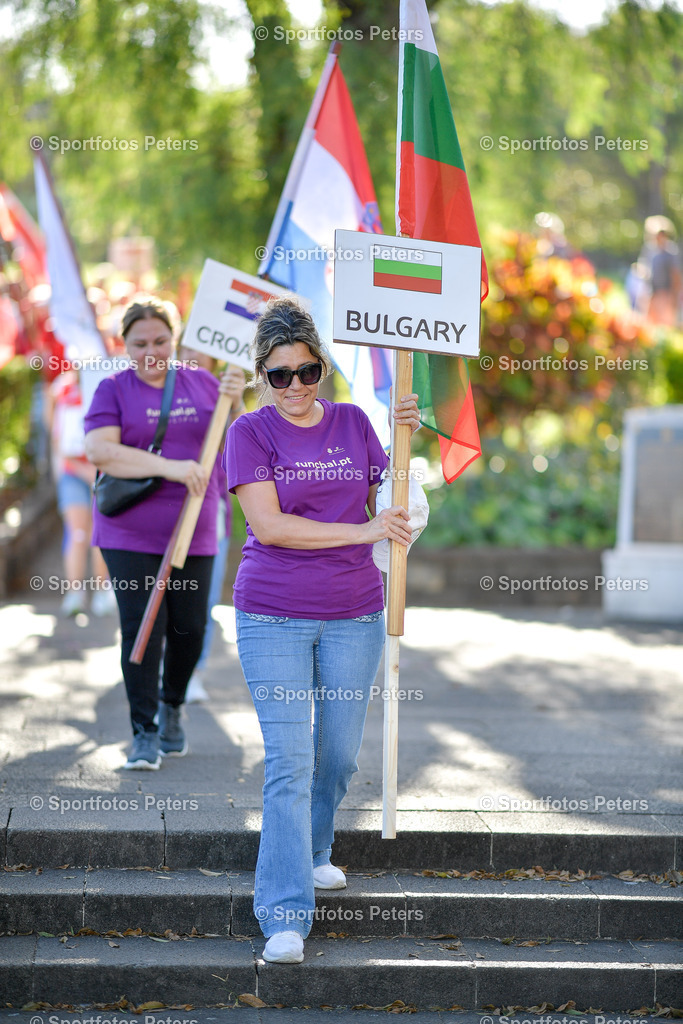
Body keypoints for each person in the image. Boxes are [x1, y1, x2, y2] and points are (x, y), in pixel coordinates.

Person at [225, 298, 420, 964]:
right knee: (290, 760)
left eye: (307, 372)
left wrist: (406, 444)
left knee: (335, 758)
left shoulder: (353, 422)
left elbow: (396, 497)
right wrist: (362, 529)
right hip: (271, 612)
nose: (296, 387)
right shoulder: (248, 434)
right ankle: (282, 912)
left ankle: (313, 850)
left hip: (354, 613)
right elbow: (272, 526)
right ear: (261, 377)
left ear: (321, 369)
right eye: (279, 376)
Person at [84, 298, 245, 770]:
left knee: (190, 628)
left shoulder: (203, 383)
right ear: (123, 344)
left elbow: (239, 443)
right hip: (127, 533)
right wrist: (172, 468)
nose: (151, 351)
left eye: (161, 341)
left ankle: (172, 703)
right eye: (140, 343)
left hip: (194, 527)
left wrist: (233, 400)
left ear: (174, 340)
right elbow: (100, 450)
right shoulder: (113, 389)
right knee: (141, 627)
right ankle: (144, 731)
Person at [177, 343, 247, 702]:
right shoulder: (165, 388)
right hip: (166, 511)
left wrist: (235, 402)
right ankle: (164, 669)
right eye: (186, 345)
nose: (193, 353)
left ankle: (194, 670)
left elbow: (245, 445)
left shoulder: (224, 390)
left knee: (201, 599)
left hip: (210, 512)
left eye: (200, 346)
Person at [45, 367, 116, 617]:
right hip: (73, 472)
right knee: (77, 532)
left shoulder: (108, 386)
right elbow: (58, 439)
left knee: (100, 532)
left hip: (102, 471)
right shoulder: (61, 389)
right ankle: (75, 593)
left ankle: (102, 590)